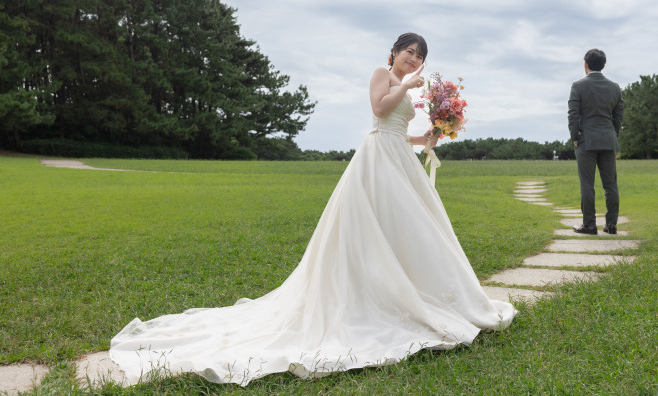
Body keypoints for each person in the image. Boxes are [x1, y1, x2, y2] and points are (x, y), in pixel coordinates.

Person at [110, 32, 516, 386]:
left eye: (420, 55)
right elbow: (378, 112)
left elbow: (394, 129)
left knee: (412, 231)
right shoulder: (384, 75)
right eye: (409, 51)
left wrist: (427, 137)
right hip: (376, 163)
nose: (414, 59)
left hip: (398, 158)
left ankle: (423, 290)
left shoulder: (404, 85)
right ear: (393, 52)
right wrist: (407, 84)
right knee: (375, 228)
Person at [567, 48, 625, 235]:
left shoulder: (578, 86)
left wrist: (575, 137)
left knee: (587, 184)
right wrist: (612, 135)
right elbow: (618, 116)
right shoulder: (615, 87)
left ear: (585, 64)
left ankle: (590, 224)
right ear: (604, 65)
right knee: (610, 185)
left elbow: (573, 115)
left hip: (586, 141)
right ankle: (612, 224)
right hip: (608, 139)